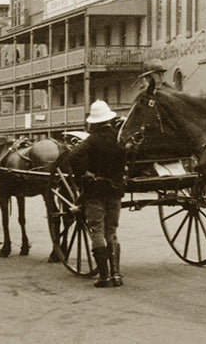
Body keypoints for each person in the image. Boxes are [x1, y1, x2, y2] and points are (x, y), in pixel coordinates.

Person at [57, 100, 126, 287]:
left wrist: (84, 174)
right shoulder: (119, 138)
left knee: (97, 230)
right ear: (110, 119)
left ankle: (104, 277)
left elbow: (73, 156)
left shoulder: (92, 140)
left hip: (96, 192)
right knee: (112, 231)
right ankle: (117, 275)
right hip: (115, 191)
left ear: (94, 122)